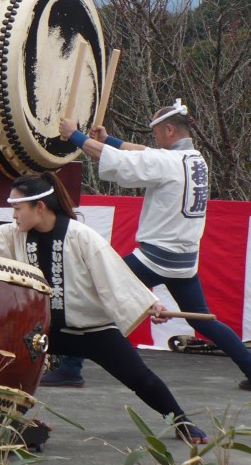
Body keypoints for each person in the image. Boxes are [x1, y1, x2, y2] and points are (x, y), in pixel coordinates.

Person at [0, 171, 208, 445]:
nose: (14, 215)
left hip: (92, 330)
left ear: (40, 207)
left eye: (18, 207)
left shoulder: (81, 236)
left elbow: (114, 276)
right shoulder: (16, 234)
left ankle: (181, 421)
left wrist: (149, 304)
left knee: (140, 378)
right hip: (43, 331)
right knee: (1, 362)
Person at [59, 99, 251, 391]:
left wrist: (76, 136)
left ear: (170, 130)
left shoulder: (167, 162)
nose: (156, 139)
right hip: (184, 260)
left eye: (158, 132)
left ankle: (71, 369)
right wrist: (108, 140)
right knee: (203, 320)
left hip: (155, 257)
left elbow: (127, 161)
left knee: (93, 292)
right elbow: (146, 154)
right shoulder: (196, 160)